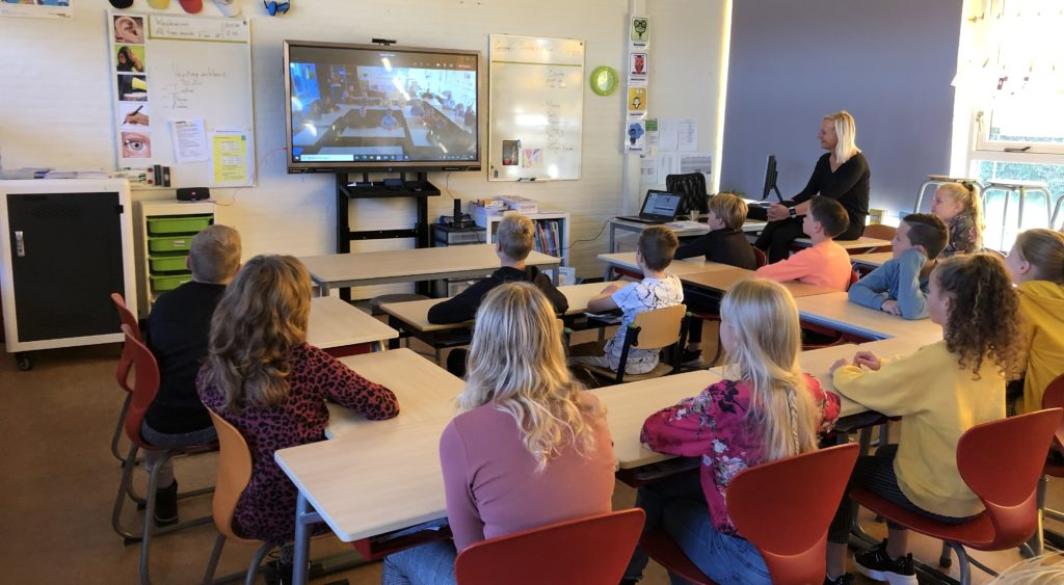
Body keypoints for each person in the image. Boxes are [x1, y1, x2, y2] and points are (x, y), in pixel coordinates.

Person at [381, 283, 616, 585]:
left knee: (401, 550)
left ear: (483, 345)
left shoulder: (462, 434)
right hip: (587, 574)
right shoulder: (592, 410)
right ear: (553, 341)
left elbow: (469, 551)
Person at [622, 279, 840, 585]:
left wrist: (692, 404)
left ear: (736, 335)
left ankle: (625, 577)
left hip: (742, 557)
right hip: (800, 546)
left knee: (656, 495)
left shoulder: (724, 401)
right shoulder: (811, 390)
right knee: (676, 484)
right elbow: (834, 408)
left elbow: (654, 431)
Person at [825, 253, 1023, 585]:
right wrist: (889, 366)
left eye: (930, 291)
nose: (925, 297)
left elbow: (870, 390)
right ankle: (895, 560)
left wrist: (842, 369)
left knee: (839, 473)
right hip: (977, 490)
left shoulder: (936, 362)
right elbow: (921, 373)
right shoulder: (986, 355)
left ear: (950, 302)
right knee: (889, 455)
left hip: (937, 497)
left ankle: (832, 572)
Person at [197, 255, 399, 568]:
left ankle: (289, 562)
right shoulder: (306, 362)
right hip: (302, 504)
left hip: (242, 502)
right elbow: (383, 406)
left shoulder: (215, 365)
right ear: (297, 308)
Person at [143, 225, 241, 526]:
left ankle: (163, 495)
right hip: (222, 426)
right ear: (238, 270)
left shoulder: (163, 305)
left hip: (158, 424)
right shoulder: (240, 314)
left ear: (188, 262)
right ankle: (246, 493)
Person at [753, 111, 870, 262]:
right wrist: (782, 208)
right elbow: (808, 193)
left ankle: (756, 259)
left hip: (846, 223)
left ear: (840, 135)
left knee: (782, 233)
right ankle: (758, 261)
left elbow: (825, 198)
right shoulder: (824, 160)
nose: (818, 136)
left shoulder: (856, 163)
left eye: (823, 132)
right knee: (780, 230)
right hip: (823, 215)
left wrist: (789, 211)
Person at [569, 226, 684, 375]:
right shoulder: (676, 284)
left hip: (621, 362)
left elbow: (592, 306)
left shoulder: (634, 291)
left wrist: (609, 292)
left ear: (640, 256)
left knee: (568, 352)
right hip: (652, 360)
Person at [428, 213, 568, 325]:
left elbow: (436, 314)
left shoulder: (488, 290)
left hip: (499, 358)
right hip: (537, 357)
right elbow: (562, 304)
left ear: (498, 246)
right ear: (531, 247)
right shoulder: (540, 281)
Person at [674, 193, 758, 362]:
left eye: (710, 213)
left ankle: (689, 349)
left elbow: (679, 253)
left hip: (722, 302)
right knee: (693, 290)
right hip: (741, 300)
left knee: (682, 293)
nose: (708, 217)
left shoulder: (714, 238)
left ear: (720, 220)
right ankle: (692, 348)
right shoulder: (741, 237)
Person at [1004, 228, 1064, 414]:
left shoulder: (1022, 301)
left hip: (1041, 417)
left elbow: (1010, 367)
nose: (1005, 257)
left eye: (1009, 252)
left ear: (1024, 266)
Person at [848, 214, 948, 319]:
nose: (892, 242)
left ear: (918, 251)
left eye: (898, 238)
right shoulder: (894, 266)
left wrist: (911, 261)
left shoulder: (943, 280)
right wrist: (883, 303)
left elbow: (911, 310)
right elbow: (856, 289)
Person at [755, 197, 853, 291]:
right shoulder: (842, 252)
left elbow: (763, 274)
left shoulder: (812, 256)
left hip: (810, 306)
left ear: (817, 226)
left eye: (807, 216)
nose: (803, 219)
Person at [931, 181, 984, 257]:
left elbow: (960, 257)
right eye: (933, 200)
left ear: (957, 207)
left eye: (938, 201)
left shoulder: (966, 224)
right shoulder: (940, 221)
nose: (932, 204)